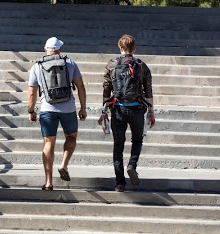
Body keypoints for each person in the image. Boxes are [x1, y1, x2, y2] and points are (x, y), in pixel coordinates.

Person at [27, 37, 87, 190]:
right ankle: (64, 165)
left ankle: (48, 182)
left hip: (47, 108)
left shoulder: (37, 66)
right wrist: (83, 108)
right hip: (68, 109)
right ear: (60, 49)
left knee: (48, 143)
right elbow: (81, 87)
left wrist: (31, 110)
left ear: (45, 49)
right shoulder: (70, 63)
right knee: (71, 137)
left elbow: (32, 92)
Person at [100, 34, 155, 192]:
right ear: (134, 49)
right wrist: (151, 112)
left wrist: (104, 111)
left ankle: (120, 183)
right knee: (137, 141)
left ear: (120, 47)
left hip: (118, 109)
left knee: (118, 145)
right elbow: (148, 91)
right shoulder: (142, 66)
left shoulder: (111, 65)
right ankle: (132, 164)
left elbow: (106, 89)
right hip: (137, 109)